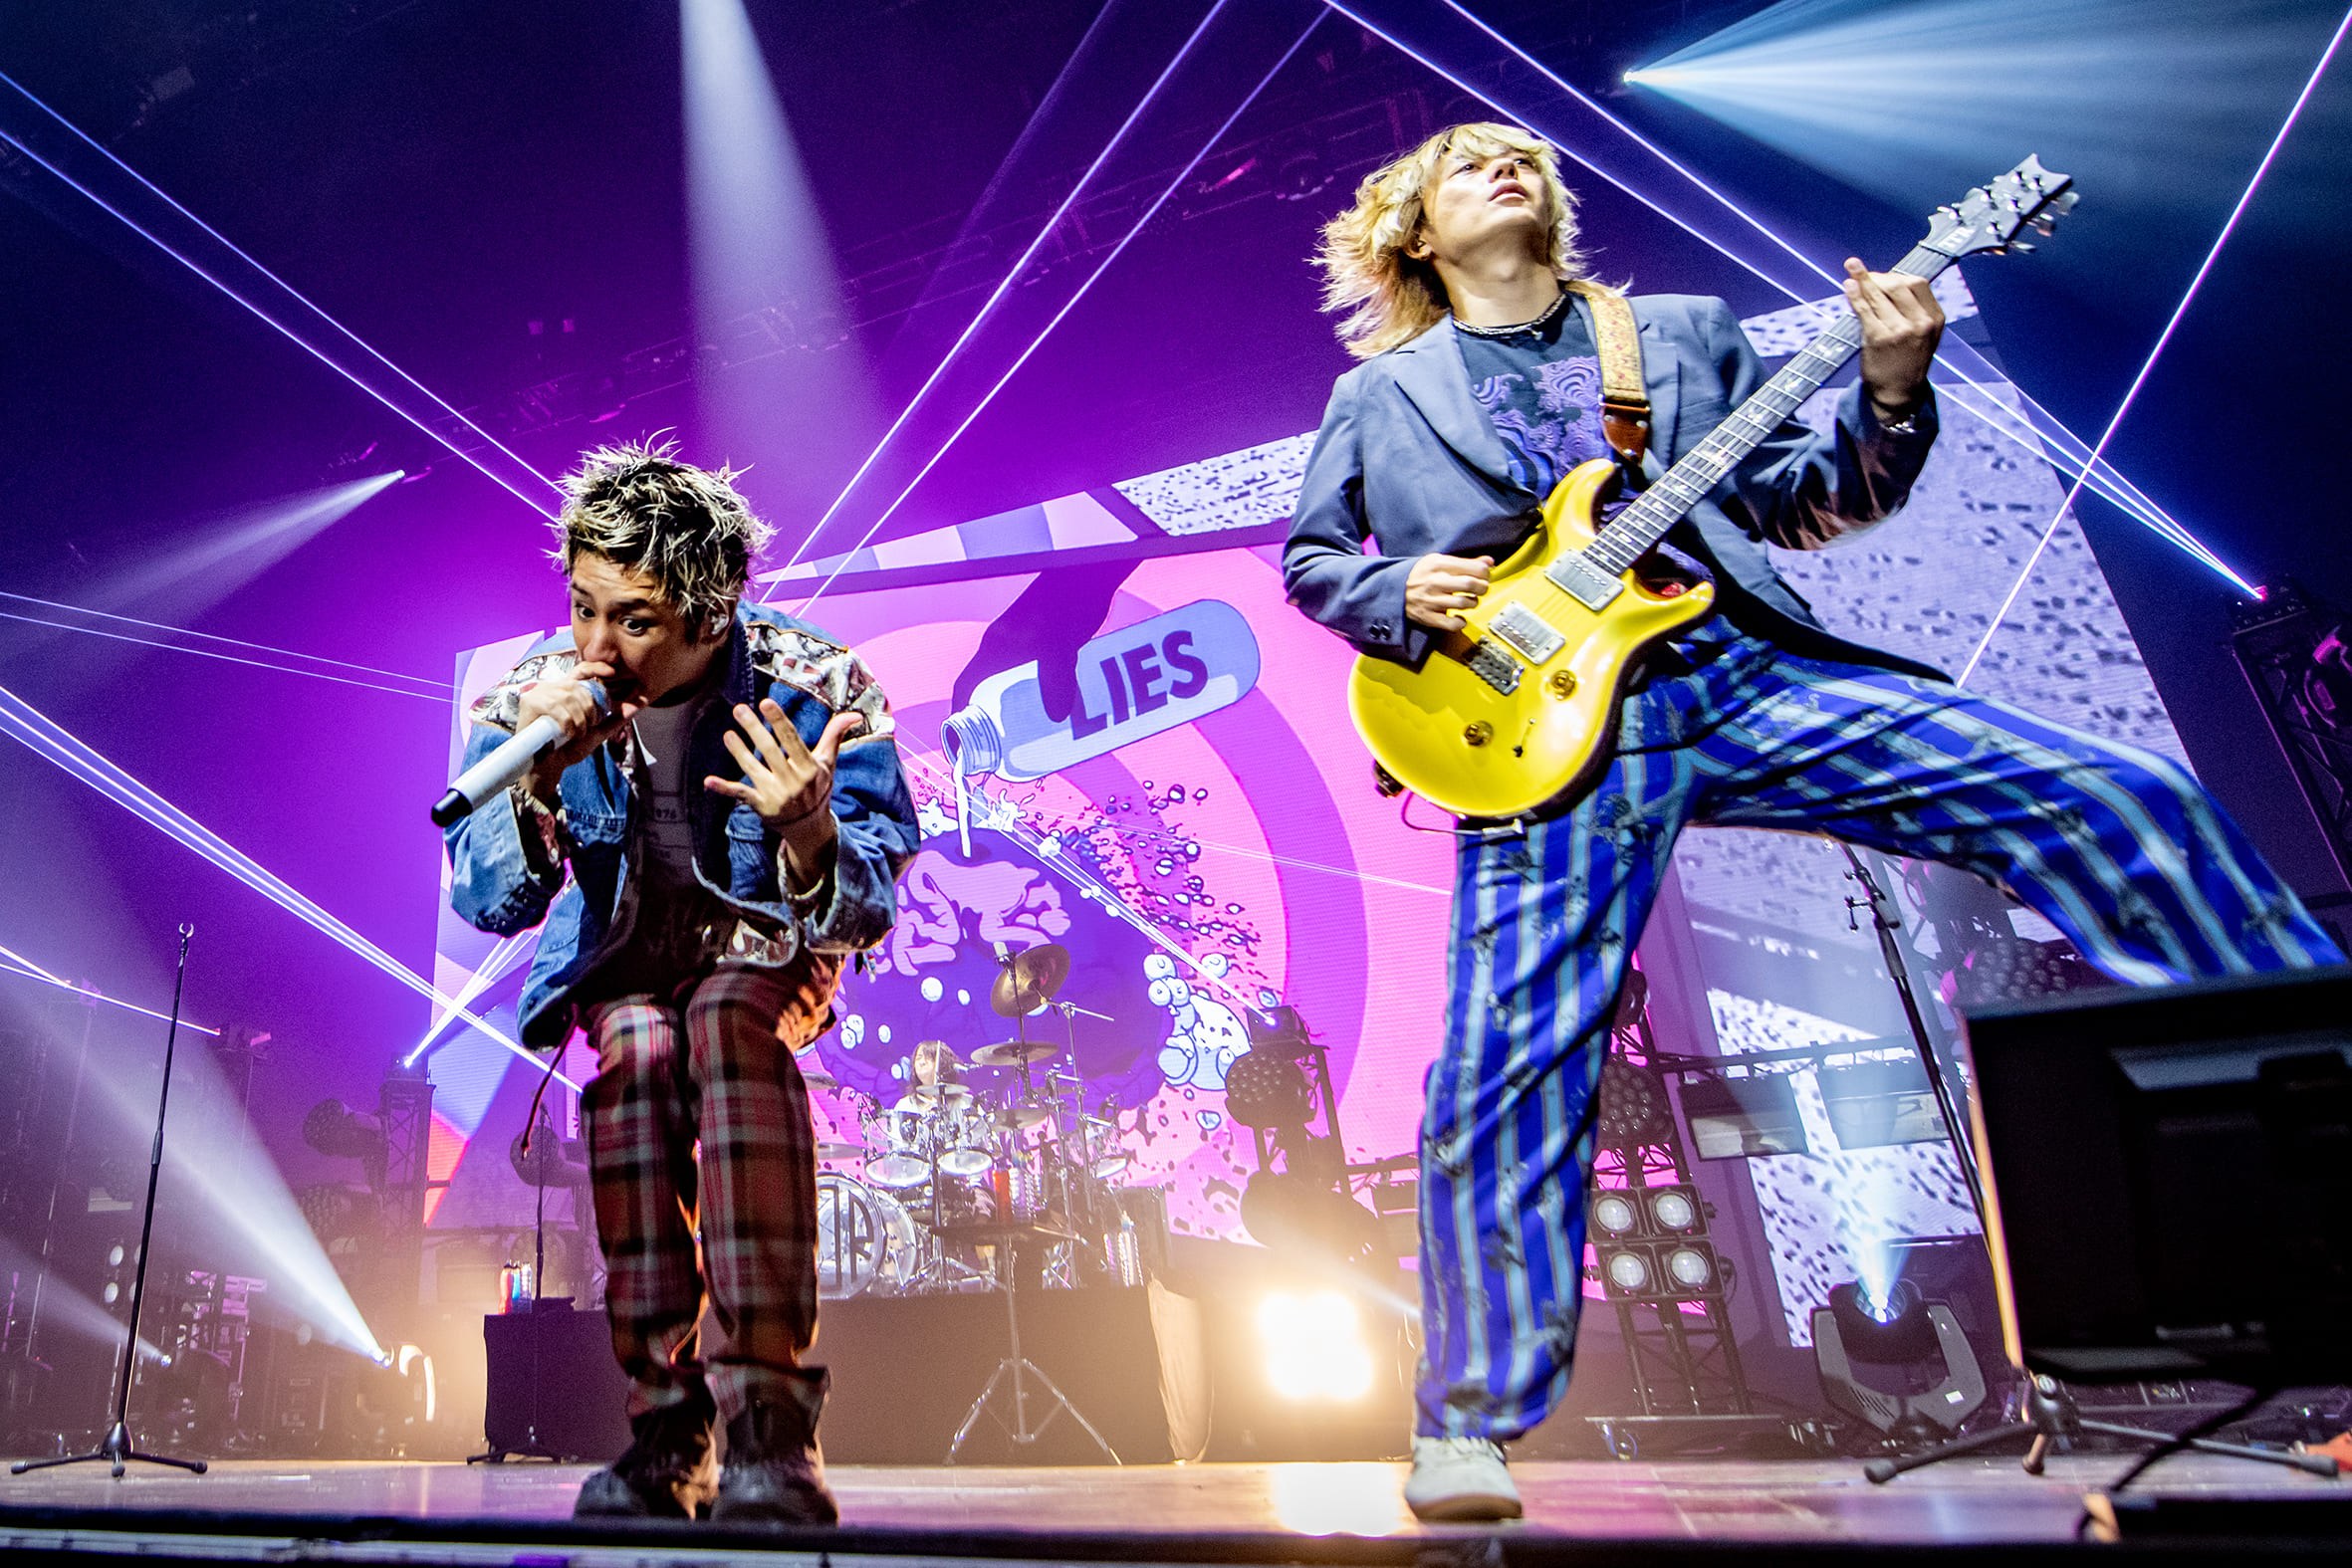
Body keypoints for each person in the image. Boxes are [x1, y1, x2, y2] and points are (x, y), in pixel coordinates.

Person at [1282, 122, 2342, 1522]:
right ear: (1415, 232)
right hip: (1537, 740)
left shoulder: (1673, 332)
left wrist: (1892, 390)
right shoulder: (1378, 394)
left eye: (1522, 150)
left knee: (2120, 798)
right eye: (1466, 160)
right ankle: (1469, 1420)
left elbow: (1808, 504)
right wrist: (1393, 590)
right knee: (1501, 1066)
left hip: (1743, 675)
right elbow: (1311, 559)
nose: (1505, 162)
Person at [445, 440, 919, 1525]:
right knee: (639, 1052)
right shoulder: (528, 699)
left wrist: (810, 831)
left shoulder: (817, 686)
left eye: (635, 620)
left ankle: (771, 1427)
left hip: (761, 946)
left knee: (723, 1027)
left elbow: (865, 912)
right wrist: (535, 787)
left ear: (712, 614)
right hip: (627, 955)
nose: (596, 646)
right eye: (583, 608)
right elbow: (487, 901)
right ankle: (668, 1429)